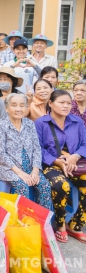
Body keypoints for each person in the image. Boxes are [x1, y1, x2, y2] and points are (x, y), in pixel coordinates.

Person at [35, 90, 86, 244]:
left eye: (69, 103)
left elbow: (84, 144)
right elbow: (37, 148)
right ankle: (60, 225)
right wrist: (56, 161)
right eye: (61, 102)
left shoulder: (77, 122)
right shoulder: (41, 123)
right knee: (61, 186)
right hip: (51, 164)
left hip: (75, 164)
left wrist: (74, 156)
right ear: (50, 103)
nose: (66, 106)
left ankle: (76, 225)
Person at [0, 94, 51, 209]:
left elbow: (36, 148)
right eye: (14, 105)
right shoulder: (0, 125)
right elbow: (0, 153)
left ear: (26, 108)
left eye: (22, 105)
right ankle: (22, 220)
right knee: (22, 186)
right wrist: (20, 173)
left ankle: (42, 220)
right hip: (7, 167)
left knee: (44, 186)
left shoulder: (30, 124)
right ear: (6, 108)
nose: (18, 109)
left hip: (29, 166)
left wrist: (35, 170)